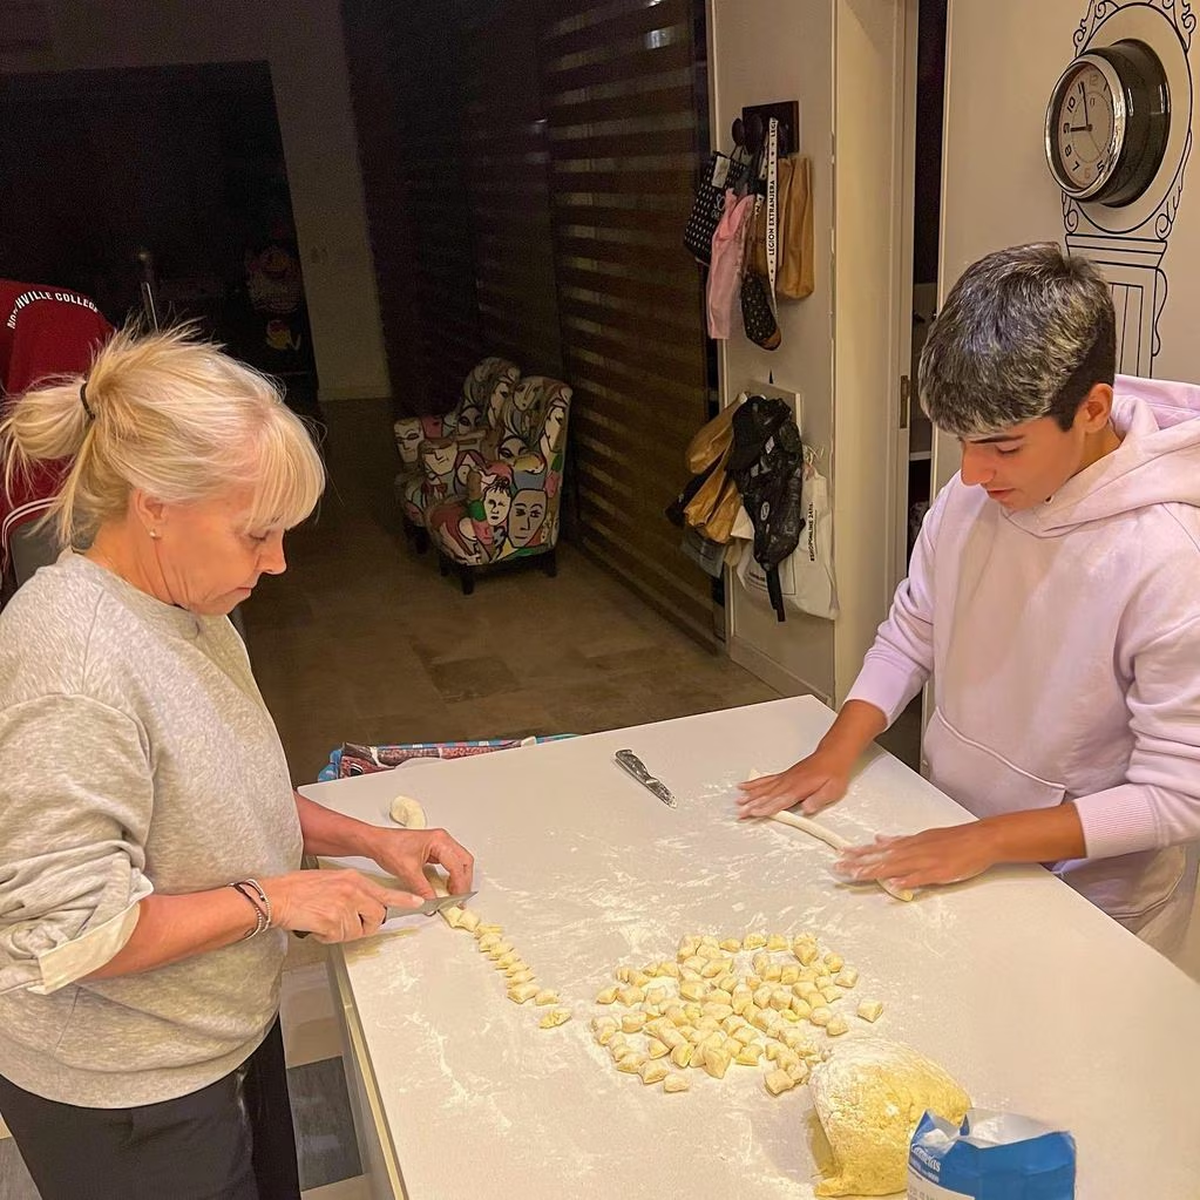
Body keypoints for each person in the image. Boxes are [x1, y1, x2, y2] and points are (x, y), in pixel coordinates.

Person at [0, 326, 475, 1199]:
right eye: (257, 534)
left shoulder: (188, 606)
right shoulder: (73, 664)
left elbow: (223, 788)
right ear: (155, 504)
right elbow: (70, 933)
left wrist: (368, 837)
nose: (280, 561)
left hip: (215, 1032)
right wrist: (278, 897)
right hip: (130, 1091)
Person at [738, 242, 1200, 957]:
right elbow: (913, 629)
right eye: (960, 441)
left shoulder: (1168, 558)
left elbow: (1176, 796)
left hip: (1090, 902)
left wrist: (989, 841)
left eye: (1004, 447)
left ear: (1092, 409)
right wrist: (836, 750)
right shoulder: (971, 495)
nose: (973, 473)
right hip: (951, 827)